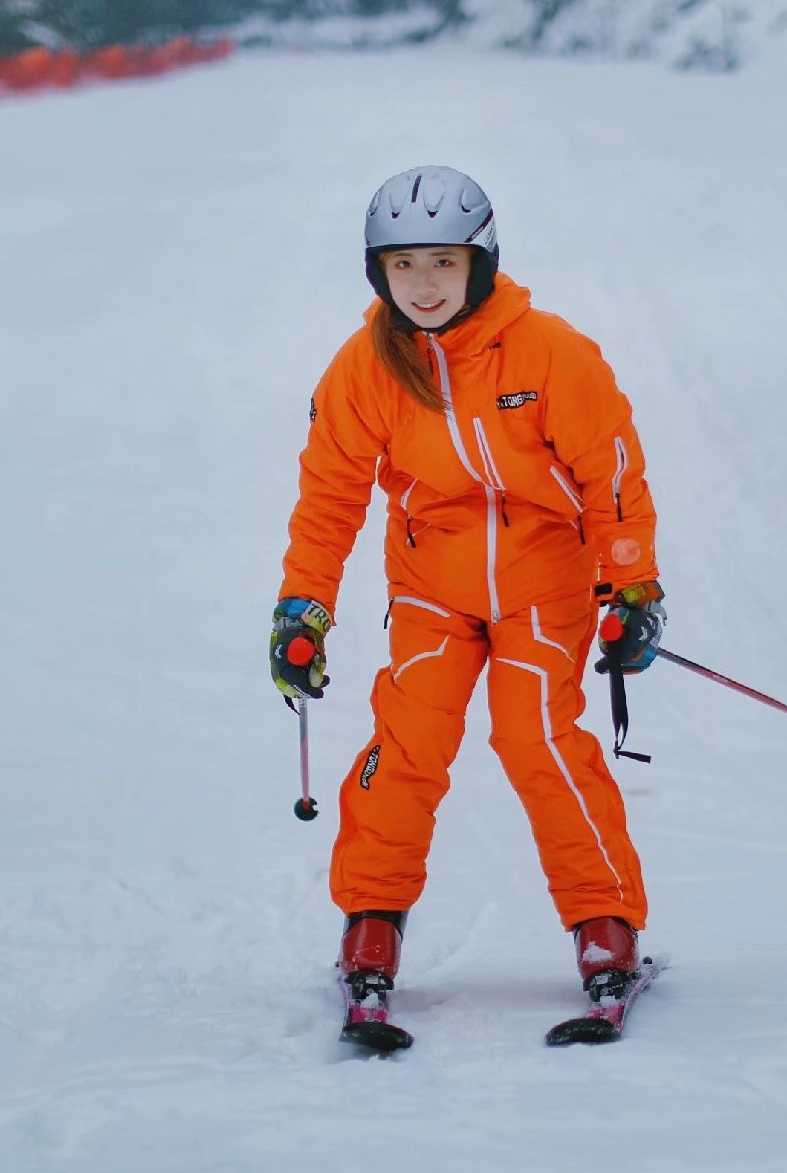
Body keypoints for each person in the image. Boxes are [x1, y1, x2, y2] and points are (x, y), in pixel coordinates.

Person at [271, 165, 668, 1014]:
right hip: (429, 588)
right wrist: (304, 606)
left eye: (443, 264)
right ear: (377, 271)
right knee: (406, 743)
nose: (422, 284)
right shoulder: (366, 366)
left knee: (536, 738)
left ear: (480, 263)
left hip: (544, 584)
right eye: (403, 264)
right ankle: (371, 921)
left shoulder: (548, 351)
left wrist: (633, 585)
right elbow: (330, 493)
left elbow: (612, 472)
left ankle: (606, 923)